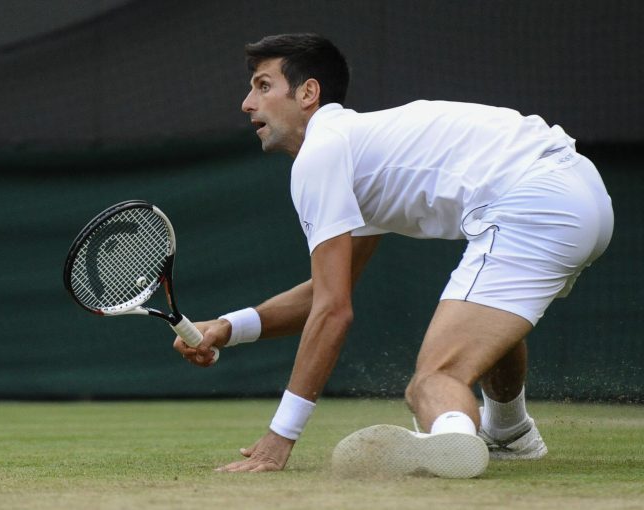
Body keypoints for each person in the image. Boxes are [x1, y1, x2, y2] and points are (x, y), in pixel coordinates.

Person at [172, 33, 614, 477]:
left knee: (432, 381)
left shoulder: (320, 154)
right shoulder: (360, 148)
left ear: (308, 93)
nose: (248, 103)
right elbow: (323, 296)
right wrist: (230, 328)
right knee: (488, 317)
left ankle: (453, 439)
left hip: (531, 201)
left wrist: (280, 437)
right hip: (583, 193)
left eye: (263, 86)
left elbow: (333, 312)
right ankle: (510, 433)